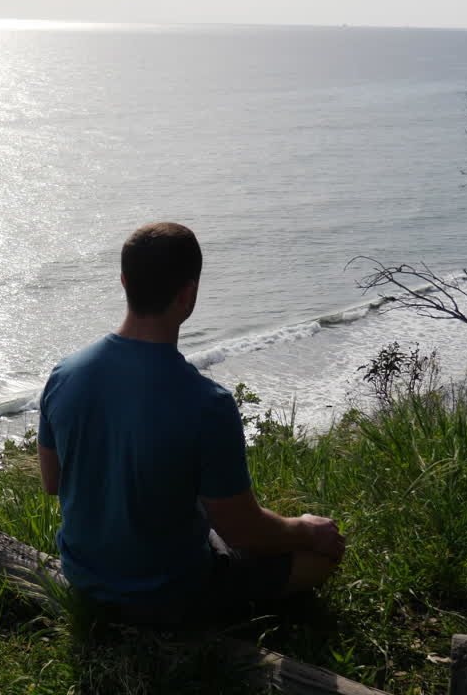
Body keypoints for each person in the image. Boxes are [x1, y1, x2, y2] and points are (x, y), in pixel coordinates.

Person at [37, 222, 345, 626]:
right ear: (188, 293)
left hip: (85, 577)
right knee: (318, 559)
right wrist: (305, 529)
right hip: (171, 595)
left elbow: (52, 482)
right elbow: (243, 532)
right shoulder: (207, 404)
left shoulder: (64, 375)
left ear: (124, 282)